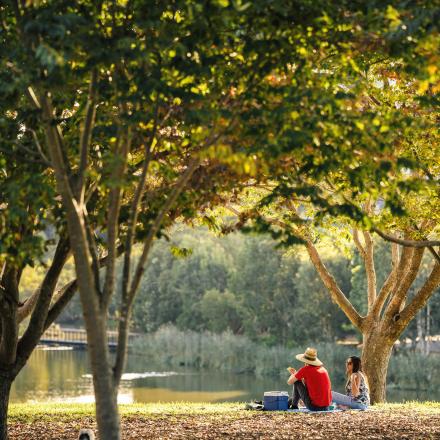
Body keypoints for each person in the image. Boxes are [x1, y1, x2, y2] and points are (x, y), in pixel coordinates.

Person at [287, 347, 332, 411]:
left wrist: (294, 374)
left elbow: (289, 382)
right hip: (326, 407)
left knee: (297, 381)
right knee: (298, 379)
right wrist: (297, 374)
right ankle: (293, 404)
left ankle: (294, 405)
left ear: (305, 360)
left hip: (314, 407)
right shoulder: (323, 369)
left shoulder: (305, 369)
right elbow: (310, 383)